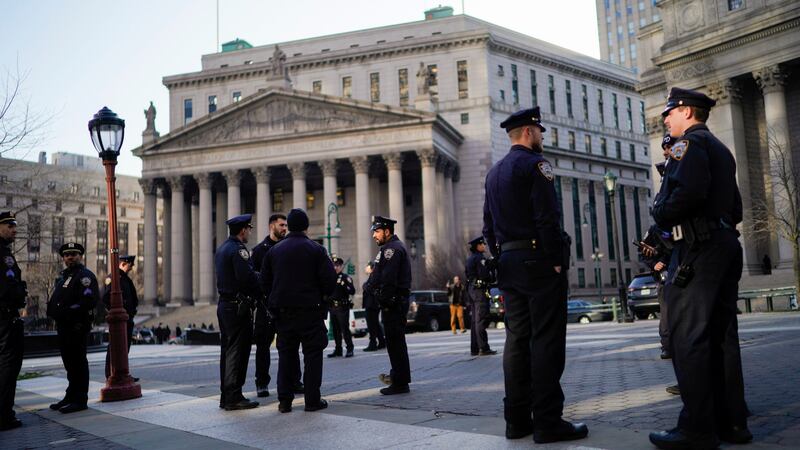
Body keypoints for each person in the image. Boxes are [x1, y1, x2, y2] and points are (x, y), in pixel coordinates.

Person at [649, 87, 751, 448]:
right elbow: (736, 208)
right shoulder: (721, 150)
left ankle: (696, 429)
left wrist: (658, 211)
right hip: (723, 245)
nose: (666, 119)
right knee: (721, 338)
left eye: (670, 113)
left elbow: (685, 193)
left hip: (696, 248)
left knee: (688, 338)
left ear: (688, 113)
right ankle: (731, 423)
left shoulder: (687, 145)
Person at [483, 107, 588, 443]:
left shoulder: (494, 173)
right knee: (546, 341)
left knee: (516, 341)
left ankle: (516, 420)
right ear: (528, 132)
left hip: (509, 263)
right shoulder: (536, 166)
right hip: (538, 263)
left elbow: (488, 227)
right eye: (540, 131)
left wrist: (501, 256)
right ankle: (547, 421)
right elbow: (547, 217)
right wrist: (555, 259)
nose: (542, 137)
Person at [260, 209, 336, 413]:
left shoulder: (273, 252)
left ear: (290, 226)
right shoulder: (316, 250)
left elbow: (264, 282)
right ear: (306, 227)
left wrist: (273, 302)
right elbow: (330, 281)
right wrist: (323, 298)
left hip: (283, 313)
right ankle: (312, 401)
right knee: (312, 355)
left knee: (286, 356)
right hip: (311, 311)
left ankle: (284, 401)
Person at [250, 213, 302, 397]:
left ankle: (295, 381)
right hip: (266, 306)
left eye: (286, 226)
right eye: (281, 225)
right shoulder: (259, 251)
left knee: (290, 345)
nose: (284, 228)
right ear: (272, 226)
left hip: (285, 304)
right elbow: (254, 279)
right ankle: (262, 384)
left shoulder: (288, 247)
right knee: (263, 347)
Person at [46, 242, 99, 414]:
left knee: (78, 363)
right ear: (63, 258)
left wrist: (66, 312)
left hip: (76, 326)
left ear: (80, 256)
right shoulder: (65, 277)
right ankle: (71, 395)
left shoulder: (85, 276)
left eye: (74, 254)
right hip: (64, 326)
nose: (70, 257)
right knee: (69, 363)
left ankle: (80, 399)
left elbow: (88, 302)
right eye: (67, 254)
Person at [215, 214, 261, 411]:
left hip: (225, 306)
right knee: (238, 352)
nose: (250, 232)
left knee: (227, 351)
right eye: (249, 229)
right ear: (243, 230)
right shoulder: (239, 250)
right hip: (237, 307)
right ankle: (234, 396)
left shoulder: (223, 248)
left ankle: (226, 395)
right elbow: (246, 279)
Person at [368, 215, 412, 395]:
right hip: (393, 303)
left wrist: (381, 297)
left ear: (387, 231)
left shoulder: (391, 249)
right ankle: (399, 378)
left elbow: (387, 280)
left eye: (377, 231)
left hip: (393, 304)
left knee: (395, 344)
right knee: (395, 343)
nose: (374, 235)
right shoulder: (390, 247)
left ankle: (400, 383)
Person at [0, 212, 26, 431]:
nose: (14, 229)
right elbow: (9, 287)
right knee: (8, 364)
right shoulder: (2, 254)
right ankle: (4, 415)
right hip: (5, 316)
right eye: (10, 225)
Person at [103, 255, 139, 381]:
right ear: (124, 263)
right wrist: (115, 312)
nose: (132, 267)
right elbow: (106, 297)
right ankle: (110, 374)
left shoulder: (125, 279)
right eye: (130, 265)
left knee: (125, 347)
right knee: (114, 347)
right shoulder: (114, 277)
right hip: (119, 320)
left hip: (127, 319)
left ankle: (123, 373)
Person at [465, 237, 497, 356]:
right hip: (479, 290)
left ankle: (475, 348)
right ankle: (483, 347)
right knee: (481, 319)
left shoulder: (470, 259)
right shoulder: (479, 258)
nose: (484, 245)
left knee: (475, 320)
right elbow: (485, 275)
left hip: (471, 289)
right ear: (478, 246)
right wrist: (491, 268)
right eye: (482, 244)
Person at [327, 256, 356, 358]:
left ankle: (350, 349)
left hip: (342, 307)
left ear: (341, 266)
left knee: (344, 329)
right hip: (332, 307)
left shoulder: (345, 278)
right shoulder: (330, 278)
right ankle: (338, 349)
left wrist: (344, 285)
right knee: (335, 330)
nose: (335, 268)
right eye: (334, 265)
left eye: (337, 266)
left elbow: (352, 291)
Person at [362, 262, 385, 352]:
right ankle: (382, 342)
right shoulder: (372, 276)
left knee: (371, 324)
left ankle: (373, 344)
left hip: (373, 304)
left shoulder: (375, 276)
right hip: (371, 304)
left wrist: (365, 285)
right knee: (375, 323)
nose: (366, 268)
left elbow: (370, 288)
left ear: (371, 268)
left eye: (367, 266)